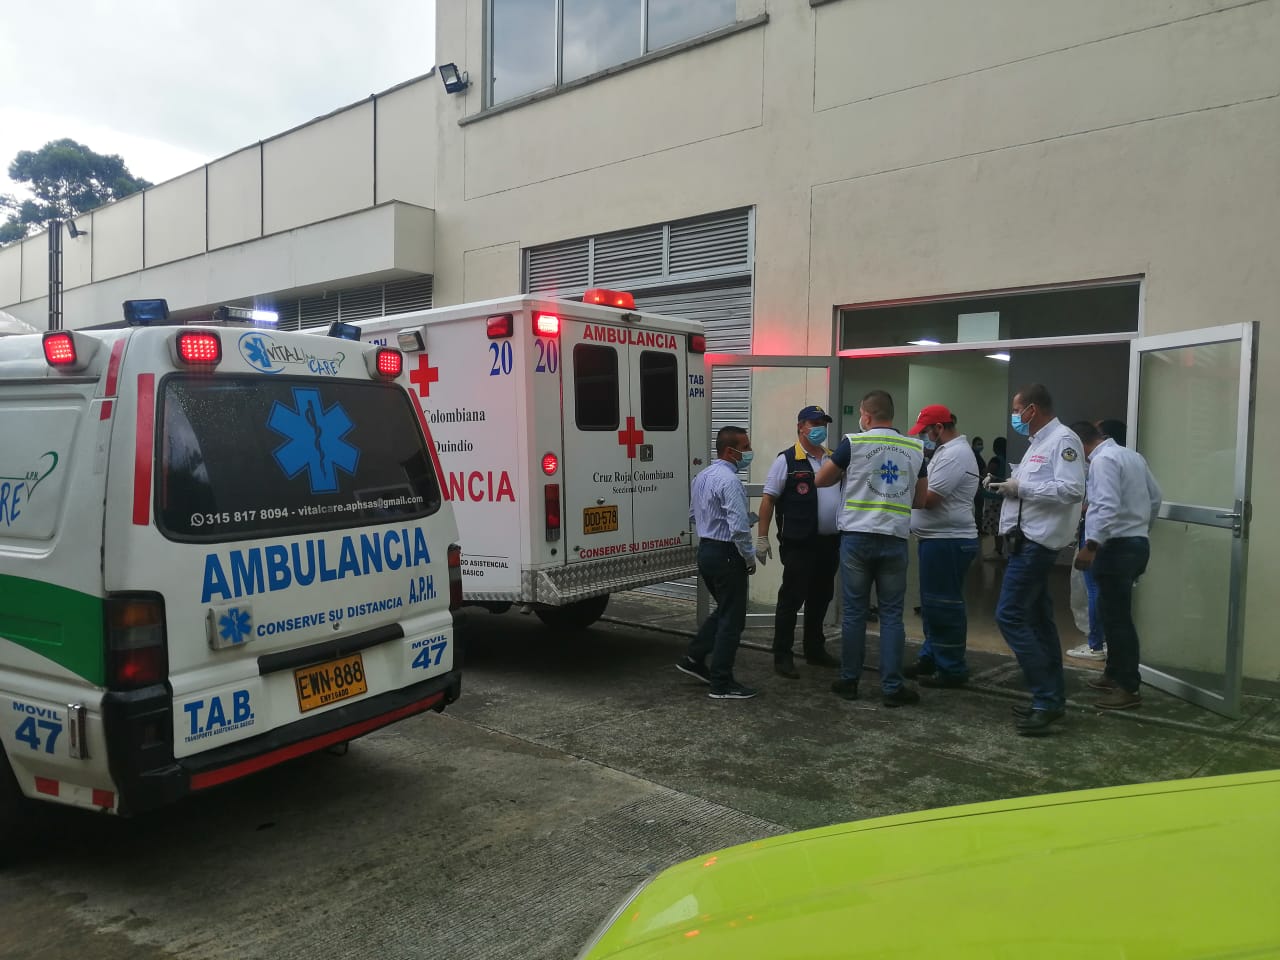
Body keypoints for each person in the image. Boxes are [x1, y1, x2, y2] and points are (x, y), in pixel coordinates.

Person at [984, 384, 1085, 736]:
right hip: (1024, 538)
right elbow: (1032, 486)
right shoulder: (1038, 443)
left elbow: (1072, 489)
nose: (1015, 416)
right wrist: (1005, 484)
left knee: (1009, 615)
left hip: (1038, 543)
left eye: (1017, 410)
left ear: (1032, 409)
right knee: (1038, 620)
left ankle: (1046, 698)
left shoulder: (1063, 440)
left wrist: (1021, 488)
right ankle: (1050, 698)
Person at [816, 390, 925, 707]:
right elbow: (920, 499)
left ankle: (849, 681)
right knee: (891, 615)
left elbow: (822, 480)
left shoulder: (853, 443)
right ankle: (892, 688)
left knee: (854, 612)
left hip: (857, 538)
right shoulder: (915, 448)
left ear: (865, 414)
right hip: (894, 538)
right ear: (891, 414)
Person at [1069, 420, 1162, 710]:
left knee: (1118, 619)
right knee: (1111, 614)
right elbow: (1155, 497)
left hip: (1114, 547)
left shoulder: (1102, 461)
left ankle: (1128, 687)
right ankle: (1113, 674)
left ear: (1079, 443)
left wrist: (1091, 546)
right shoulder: (1131, 456)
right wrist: (1141, 529)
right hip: (1134, 543)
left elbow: (1106, 505)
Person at [757, 405, 843, 678]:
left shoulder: (833, 458)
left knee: (821, 597)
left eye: (823, 424)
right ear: (800, 427)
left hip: (829, 543)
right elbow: (769, 499)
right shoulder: (787, 460)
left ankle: (814, 649)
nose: (820, 429)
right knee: (792, 599)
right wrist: (762, 537)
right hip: (799, 543)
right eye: (814, 423)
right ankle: (782, 654)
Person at [677, 425, 760, 700]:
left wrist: (717, 523)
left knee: (725, 610)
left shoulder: (702, 476)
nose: (749, 452)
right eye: (745, 447)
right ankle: (721, 683)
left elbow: (693, 515)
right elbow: (738, 528)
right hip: (727, 554)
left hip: (707, 551)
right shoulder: (730, 481)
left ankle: (694, 657)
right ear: (730, 451)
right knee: (732, 621)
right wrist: (749, 557)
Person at [904, 404, 980, 687]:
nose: (923, 437)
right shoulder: (944, 452)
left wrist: (899, 490)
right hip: (937, 539)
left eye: (925, 432)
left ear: (939, 427)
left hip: (948, 541)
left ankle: (952, 668)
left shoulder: (955, 455)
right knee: (932, 605)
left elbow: (929, 499)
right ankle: (931, 657)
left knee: (944, 606)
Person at [980, 437, 1009, 558]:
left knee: (994, 524)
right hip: (1004, 496)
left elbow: (987, 474)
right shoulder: (1008, 459)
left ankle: (997, 550)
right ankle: (1004, 550)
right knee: (1001, 523)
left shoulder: (996, 460)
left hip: (993, 497)